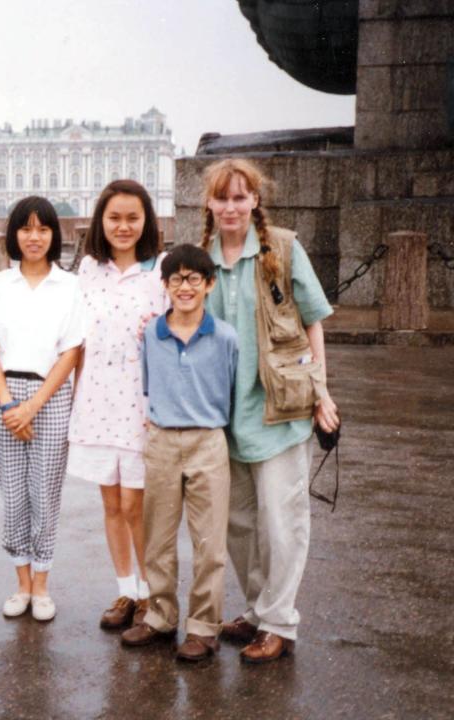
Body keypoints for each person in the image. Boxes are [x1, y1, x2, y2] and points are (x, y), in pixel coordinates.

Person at [200, 158, 340, 664]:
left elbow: (314, 321)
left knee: (282, 522)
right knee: (238, 525)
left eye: (241, 197)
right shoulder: (201, 258)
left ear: (255, 201)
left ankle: (280, 621)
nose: (232, 207)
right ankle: (259, 611)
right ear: (209, 204)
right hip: (223, 415)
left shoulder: (281, 247)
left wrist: (322, 393)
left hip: (279, 410)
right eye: (223, 197)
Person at [119, 244, 238, 662]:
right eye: (176, 279)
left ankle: (204, 626)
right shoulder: (152, 332)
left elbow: (232, 389)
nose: (184, 287)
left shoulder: (225, 337)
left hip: (208, 440)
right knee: (158, 536)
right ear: (165, 285)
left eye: (193, 279)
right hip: (164, 439)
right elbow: (149, 385)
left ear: (208, 284)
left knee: (209, 542)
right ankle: (160, 614)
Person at [0, 196, 83, 622]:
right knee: (13, 494)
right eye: (26, 229)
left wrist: (32, 405)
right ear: (14, 234)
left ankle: (42, 586)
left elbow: (71, 352)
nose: (34, 237)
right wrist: (5, 402)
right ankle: (20, 584)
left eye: (43, 229)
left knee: (45, 493)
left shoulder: (69, 286)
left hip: (50, 397)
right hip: (6, 397)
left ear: (54, 235)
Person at [66, 180, 167, 632]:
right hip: (96, 398)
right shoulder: (88, 269)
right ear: (100, 222)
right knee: (110, 502)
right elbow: (75, 338)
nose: (123, 226)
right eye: (114, 218)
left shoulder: (161, 270)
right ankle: (125, 589)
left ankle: (151, 593)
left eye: (132, 217)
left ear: (146, 220)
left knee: (136, 504)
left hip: (142, 402)